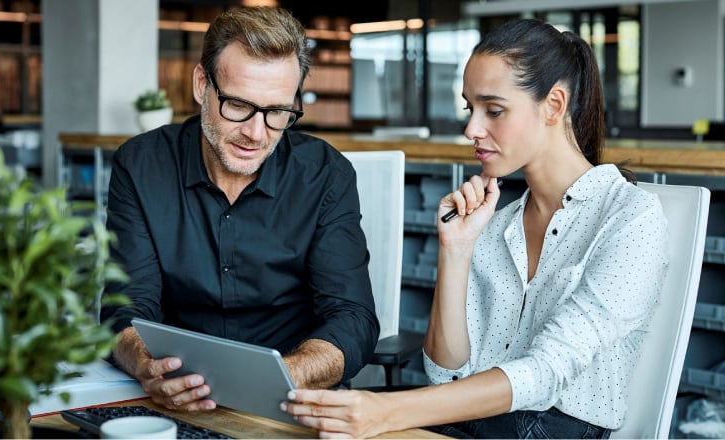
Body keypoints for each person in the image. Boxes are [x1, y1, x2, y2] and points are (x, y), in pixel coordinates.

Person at [281, 18, 669, 439]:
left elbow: (545, 372)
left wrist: (388, 410)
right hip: (474, 421)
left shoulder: (632, 218)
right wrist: (456, 250)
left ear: (554, 105)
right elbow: (444, 373)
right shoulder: (495, 222)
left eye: (494, 110)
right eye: (471, 108)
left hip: (555, 427)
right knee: (302, 424)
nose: (471, 130)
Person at [99, 6, 380, 414]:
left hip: (291, 399)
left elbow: (352, 318)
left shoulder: (326, 175)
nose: (255, 133)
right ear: (202, 85)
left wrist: (284, 376)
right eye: (237, 105)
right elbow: (125, 307)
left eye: (277, 112)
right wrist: (147, 366)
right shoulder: (140, 165)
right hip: (175, 395)